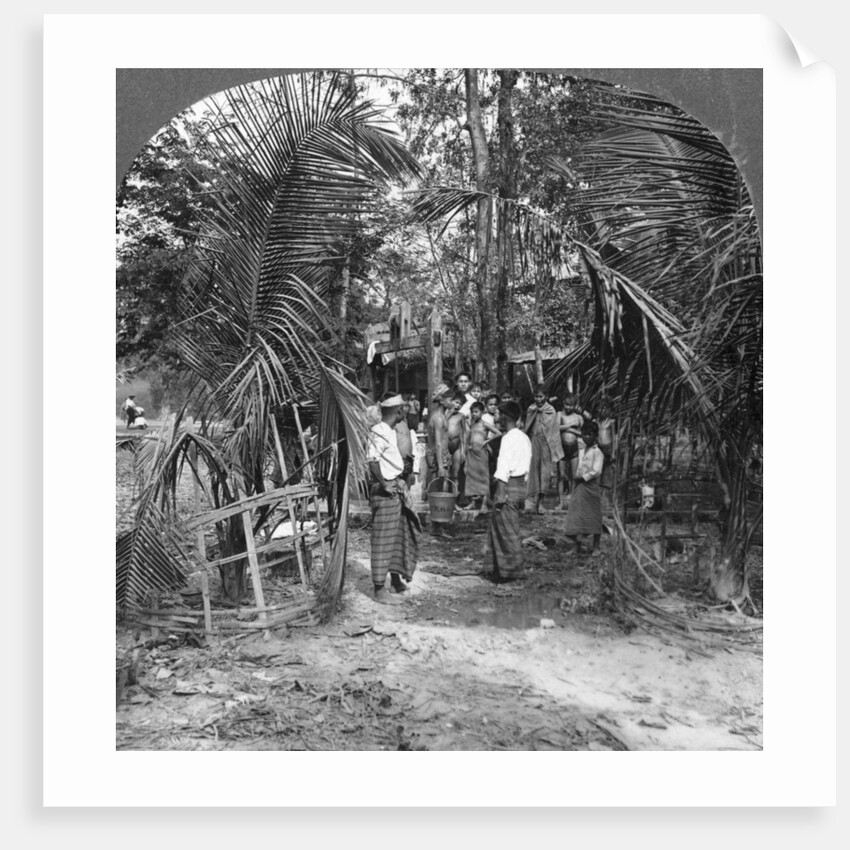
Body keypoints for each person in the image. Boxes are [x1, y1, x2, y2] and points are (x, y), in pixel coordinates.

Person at [367, 394, 421, 605]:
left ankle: (396, 578)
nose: (404, 414)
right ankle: (379, 588)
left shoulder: (387, 431)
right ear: (398, 412)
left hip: (395, 488)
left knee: (399, 535)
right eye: (403, 410)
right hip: (386, 491)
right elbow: (372, 460)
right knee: (383, 539)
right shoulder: (379, 431)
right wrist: (383, 483)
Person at [486, 401, 532, 582]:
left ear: (505, 416)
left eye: (499, 414)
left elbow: (503, 467)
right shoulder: (524, 438)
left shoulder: (508, 438)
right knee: (505, 526)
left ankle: (513, 572)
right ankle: (501, 569)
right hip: (520, 486)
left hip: (508, 485)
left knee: (507, 530)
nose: (497, 417)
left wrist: (500, 493)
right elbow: (527, 467)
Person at [563, 420, 605, 556]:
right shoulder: (581, 450)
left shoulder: (598, 452)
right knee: (577, 514)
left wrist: (583, 477)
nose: (586, 437)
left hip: (591, 486)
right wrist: (576, 477)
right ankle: (576, 546)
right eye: (584, 434)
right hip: (580, 486)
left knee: (593, 515)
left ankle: (596, 547)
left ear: (595, 436)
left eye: (589, 434)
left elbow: (596, 470)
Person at [522, 385, 564, 515]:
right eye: (536, 396)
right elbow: (527, 426)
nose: (538, 399)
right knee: (532, 472)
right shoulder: (531, 408)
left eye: (541, 396)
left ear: (546, 397)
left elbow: (553, 431)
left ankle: (541, 503)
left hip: (546, 444)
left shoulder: (551, 410)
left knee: (544, 473)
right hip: (533, 441)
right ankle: (530, 503)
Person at [557, 394, 584, 509]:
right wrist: (570, 426)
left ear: (574, 405)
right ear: (563, 403)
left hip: (573, 447)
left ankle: (573, 502)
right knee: (561, 475)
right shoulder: (559, 414)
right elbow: (556, 428)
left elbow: (583, 433)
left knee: (574, 476)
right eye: (567, 404)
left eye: (571, 405)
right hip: (561, 447)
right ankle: (561, 502)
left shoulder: (578, 418)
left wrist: (570, 429)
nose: (568, 407)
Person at [425, 384, 453, 489]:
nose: (452, 403)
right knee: (438, 486)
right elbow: (438, 443)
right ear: (441, 401)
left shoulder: (443, 416)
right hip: (437, 456)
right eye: (450, 400)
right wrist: (441, 466)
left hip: (442, 454)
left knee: (443, 485)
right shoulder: (438, 418)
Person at [464, 401, 490, 510]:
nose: (474, 414)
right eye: (472, 412)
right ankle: (473, 503)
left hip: (482, 453)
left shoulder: (485, 424)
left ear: (482, 412)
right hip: (472, 453)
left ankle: (484, 503)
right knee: (471, 478)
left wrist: (486, 442)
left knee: (484, 477)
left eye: (476, 412)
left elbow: (498, 433)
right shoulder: (471, 424)